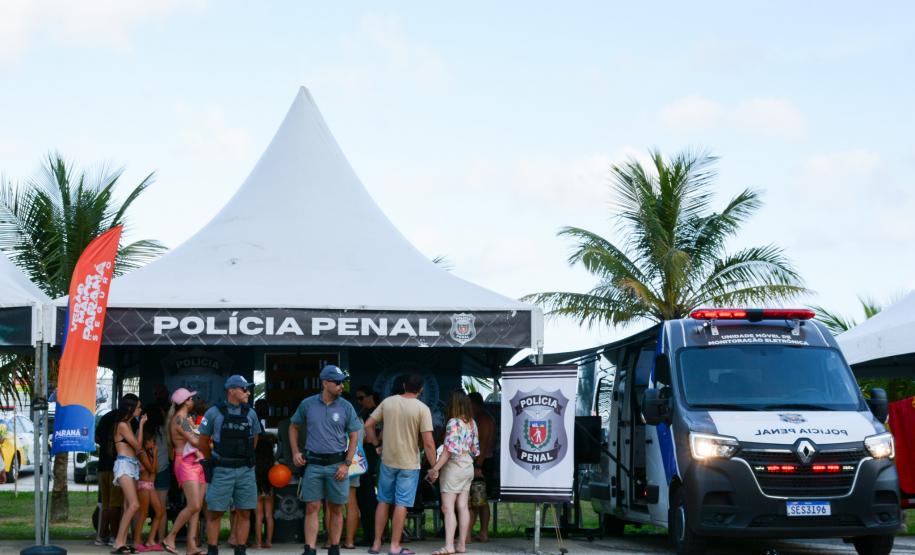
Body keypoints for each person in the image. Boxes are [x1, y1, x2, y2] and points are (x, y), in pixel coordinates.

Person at [288, 365, 361, 555]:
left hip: (337, 464)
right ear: (325, 383)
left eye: (342, 383)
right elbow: (293, 426)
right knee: (312, 507)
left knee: (336, 508)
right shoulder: (308, 404)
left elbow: (355, 435)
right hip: (313, 463)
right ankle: (309, 549)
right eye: (337, 383)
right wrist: (296, 451)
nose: (341, 386)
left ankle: (334, 547)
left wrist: (347, 464)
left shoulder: (346, 406)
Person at [364, 374, 437, 555]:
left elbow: (368, 425)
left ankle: (376, 544)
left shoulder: (388, 402)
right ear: (421, 389)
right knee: (401, 504)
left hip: (387, 460)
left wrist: (376, 445)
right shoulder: (422, 409)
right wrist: (434, 467)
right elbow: (428, 443)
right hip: (409, 464)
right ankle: (395, 546)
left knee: (383, 501)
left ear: (404, 385)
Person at [198, 375, 262, 555]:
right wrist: (212, 460)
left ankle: (240, 550)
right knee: (215, 512)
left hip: (245, 470)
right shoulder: (213, 413)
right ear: (231, 390)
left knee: (245, 512)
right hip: (221, 469)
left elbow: (254, 440)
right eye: (244, 389)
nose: (248, 392)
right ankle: (212, 550)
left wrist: (244, 457)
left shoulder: (251, 413)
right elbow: (202, 442)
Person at [428, 391, 479, 555]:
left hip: (453, 468)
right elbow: (475, 450)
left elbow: (448, 450)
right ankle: (462, 544)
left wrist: (435, 468)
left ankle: (449, 545)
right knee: (463, 506)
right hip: (468, 466)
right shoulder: (472, 422)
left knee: (447, 508)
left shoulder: (453, 422)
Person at [162, 388, 207, 555]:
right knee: (194, 505)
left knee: (197, 507)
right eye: (191, 398)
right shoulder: (180, 420)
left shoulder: (185, 419)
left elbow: (196, 439)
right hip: (185, 464)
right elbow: (196, 441)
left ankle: (191, 546)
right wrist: (208, 434)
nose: (193, 401)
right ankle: (170, 537)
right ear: (186, 401)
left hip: (195, 462)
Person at [111, 394, 146, 554]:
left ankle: (122, 542)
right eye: (138, 407)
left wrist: (139, 426)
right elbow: (138, 446)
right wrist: (142, 426)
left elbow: (137, 447)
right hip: (124, 464)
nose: (140, 410)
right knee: (134, 505)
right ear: (131, 408)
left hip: (130, 464)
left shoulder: (128, 424)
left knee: (128, 505)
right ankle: (119, 542)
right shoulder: (123, 425)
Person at [96, 400, 128, 546]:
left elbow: (96, 438)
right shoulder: (126, 423)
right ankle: (115, 536)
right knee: (115, 504)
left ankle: (102, 535)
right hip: (118, 466)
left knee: (105, 503)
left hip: (103, 465)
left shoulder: (106, 417)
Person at [467, 393, 494, 543]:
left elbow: (483, 445)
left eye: (469, 405)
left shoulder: (483, 419)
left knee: (478, 499)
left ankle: (480, 532)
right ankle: (481, 532)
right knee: (480, 500)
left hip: (482, 463)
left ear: (475, 405)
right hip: (481, 462)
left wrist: (478, 466)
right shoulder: (481, 418)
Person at [354, 386, 379, 546]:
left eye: (361, 398)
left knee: (368, 499)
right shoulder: (363, 412)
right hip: (362, 459)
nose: (359, 401)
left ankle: (372, 536)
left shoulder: (377, 413)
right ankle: (370, 535)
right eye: (358, 399)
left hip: (370, 459)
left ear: (371, 397)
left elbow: (370, 438)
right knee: (363, 499)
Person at [134, 429, 165, 551]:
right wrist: (156, 454)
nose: (154, 443)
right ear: (146, 442)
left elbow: (155, 469)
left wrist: (154, 454)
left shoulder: (149, 453)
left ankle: (151, 540)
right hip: (143, 485)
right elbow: (151, 470)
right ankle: (137, 541)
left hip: (150, 485)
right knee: (144, 513)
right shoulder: (141, 453)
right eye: (153, 441)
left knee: (159, 512)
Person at [253, 434, 276, 549]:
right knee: (269, 516)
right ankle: (269, 541)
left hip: (257, 490)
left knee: (258, 517)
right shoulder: (271, 464)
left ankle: (258, 543)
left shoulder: (255, 463)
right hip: (269, 490)